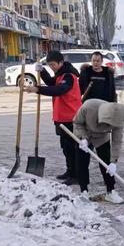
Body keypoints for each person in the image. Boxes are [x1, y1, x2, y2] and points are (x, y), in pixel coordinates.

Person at [24, 50, 81, 184]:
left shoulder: (69, 76)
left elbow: (59, 90)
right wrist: (42, 71)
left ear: (61, 62)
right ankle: (70, 171)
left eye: (53, 64)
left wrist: (38, 89)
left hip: (71, 117)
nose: (52, 67)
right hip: (61, 118)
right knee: (65, 147)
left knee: (72, 148)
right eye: (49, 65)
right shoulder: (60, 75)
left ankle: (76, 175)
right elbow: (51, 83)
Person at [73, 99, 124, 204]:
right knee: (81, 163)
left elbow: (117, 141)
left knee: (106, 164)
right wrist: (83, 138)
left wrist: (113, 161)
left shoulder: (118, 118)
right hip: (85, 135)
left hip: (102, 138)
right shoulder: (88, 107)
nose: (108, 127)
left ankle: (110, 192)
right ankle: (84, 191)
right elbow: (77, 123)